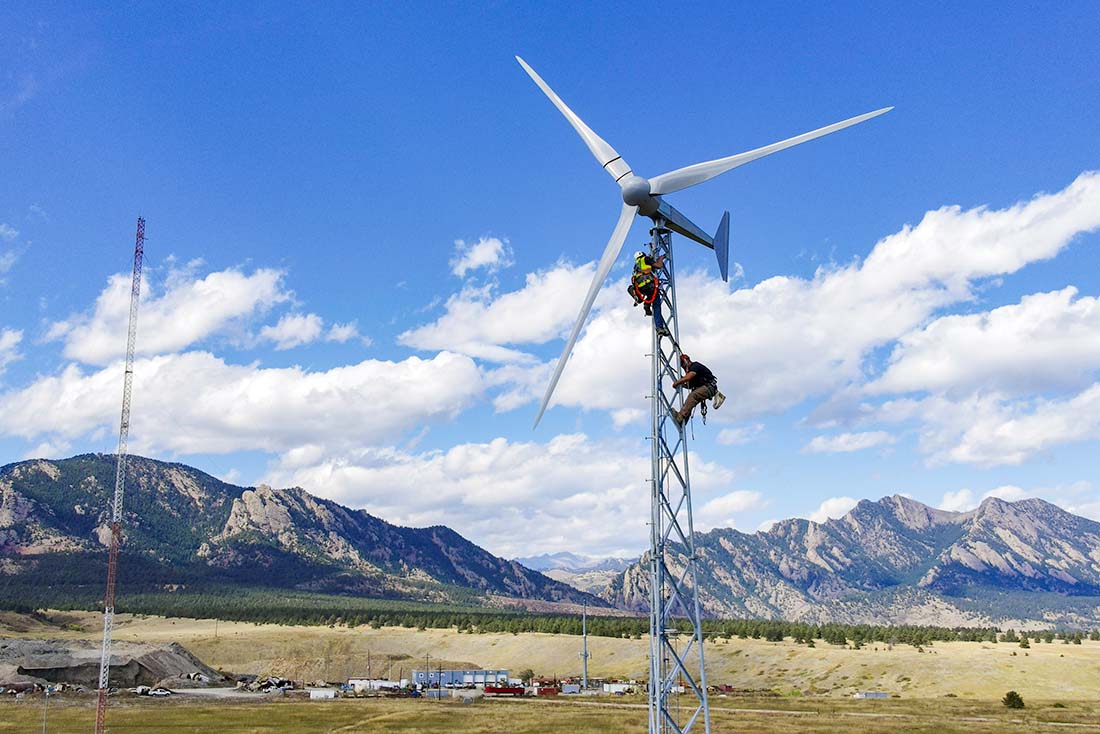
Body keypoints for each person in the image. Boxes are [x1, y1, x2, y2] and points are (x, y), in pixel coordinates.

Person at [627, 250, 670, 337]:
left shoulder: (636, 266)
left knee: (631, 288)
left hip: (640, 288)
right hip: (650, 285)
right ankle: (659, 328)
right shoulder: (645, 259)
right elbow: (658, 265)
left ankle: (640, 300)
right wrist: (661, 258)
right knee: (656, 306)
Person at [670, 354, 718, 427]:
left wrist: (677, 383)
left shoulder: (695, 366)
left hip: (709, 387)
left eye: (683, 364)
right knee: (689, 403)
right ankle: (682, 421)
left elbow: (688, 377)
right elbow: (690, 385)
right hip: (705, 388)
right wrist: (682, 385)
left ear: (686, 361)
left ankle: (680, 416)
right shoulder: (691, 372)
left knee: (693, 396)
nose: (683, 367)